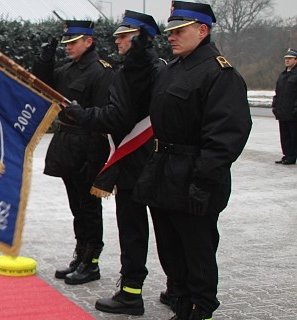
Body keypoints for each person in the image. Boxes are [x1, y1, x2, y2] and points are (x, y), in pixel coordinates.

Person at [124, 2, 252, 319]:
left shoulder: (219, 73)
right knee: (170, 248)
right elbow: (139, 97)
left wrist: (203, 182)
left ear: (202, 30)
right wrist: (139, 57)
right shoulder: (172, 70)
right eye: (170, 32)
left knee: (197, 249)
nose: (172, 37)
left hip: (195, 176)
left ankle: (201, 307)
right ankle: (180, 301)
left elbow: (226, 136)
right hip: (164, 172)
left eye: (179, 31)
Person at [59, 11, 176, 315]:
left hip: (133, 161)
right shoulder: (162, 67)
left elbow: (116, 117)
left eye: (125, 36)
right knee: (166, 230)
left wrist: (81, 114)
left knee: (134, 229)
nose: (118, 40)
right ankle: (176, 288)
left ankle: (131, 293)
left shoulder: (132, 72)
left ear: (142, 38)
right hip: (155, 160)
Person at [32, 20, 114, 285]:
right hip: (68, 144)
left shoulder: (101, 72)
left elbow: (102, 119)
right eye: (65, 43)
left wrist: (94, 159)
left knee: (89, 208)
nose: (68, 47)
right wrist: (46, 58)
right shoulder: (68, 69)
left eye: (73, 43)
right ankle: (80, 256)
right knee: (76, 207)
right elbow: (43, 85)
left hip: (89, 146)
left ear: (88, 42)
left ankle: (91, 262)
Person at [271, 48, 297, 165]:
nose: (287, 61)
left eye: (290, 59)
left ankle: (292, 156)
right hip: (282, 111)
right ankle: (287, 155)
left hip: (293, 112)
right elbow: (278, 93)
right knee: (285, 135)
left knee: (294, 135)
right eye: (286, 59)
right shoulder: (283, 75)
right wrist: (275, 106)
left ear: (296, 60)